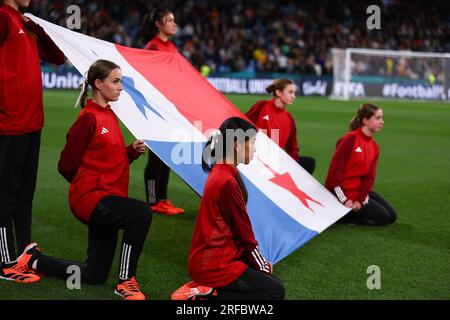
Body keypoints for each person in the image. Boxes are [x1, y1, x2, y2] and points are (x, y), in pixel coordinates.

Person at [4, 60, 153, 300]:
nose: (120, 87)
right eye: (115, 81)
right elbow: (66, 165)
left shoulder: (108, 114)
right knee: (141, 213)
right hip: (92, 199)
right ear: (98, 83)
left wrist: (130, 152)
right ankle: (126, 282)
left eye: (120, 82)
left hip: (106, 197)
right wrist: (88, 186)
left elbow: (108, 160)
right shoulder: (88, 119)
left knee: (94, 274)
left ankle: (34, 261)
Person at [171, 117, 285, 300]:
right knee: (275, 293)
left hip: (215, 257)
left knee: (273, 287)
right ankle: (204, 297)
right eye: (253, 142)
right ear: (237, 145)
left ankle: (208, 291)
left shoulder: (223, 170)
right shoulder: (226, 181)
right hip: (214, 264)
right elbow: (244, 234)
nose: (255, 149)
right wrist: (262, 265)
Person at [0, 0, 65, 282]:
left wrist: (40, 30)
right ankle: (4, 262)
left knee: (25, 195)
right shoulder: (3, 18)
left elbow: (58, 57)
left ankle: (24, 251)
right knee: (4, 196)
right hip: (9, 125)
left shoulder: (25, 22)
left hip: (32, 123)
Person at [139, 8, 183, 215]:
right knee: (156, 158)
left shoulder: (171, 46)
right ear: (158, 24)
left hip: (170, 110)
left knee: (168, 157)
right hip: (156, 111)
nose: (174, 23)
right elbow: (146, 78)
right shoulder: (153, 46)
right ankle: (153, 201)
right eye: (170, 20)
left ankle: (163, 199)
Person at [325, 103, 397, 226]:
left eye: (382, 118)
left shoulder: (374, 146)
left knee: (392, 216)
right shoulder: (350, 139)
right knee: (383, 218)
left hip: (359, 191)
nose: (382, 122)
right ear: (365, 120)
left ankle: (350, 213)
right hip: (344, 191)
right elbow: (335, 172)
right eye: (378, 118)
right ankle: (345, 216)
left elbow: (369, 177)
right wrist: (345, 200)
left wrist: (360, 200)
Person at [245, 78, 316, 174]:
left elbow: (293, 148)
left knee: (309, 162)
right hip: (255, 159)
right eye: (290, 92)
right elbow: (242, 124)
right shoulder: (262, 106)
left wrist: (289, 163)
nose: (294, 96)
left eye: (294, 93)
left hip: (275, 162)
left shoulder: (289, 118)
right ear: (278, 92)